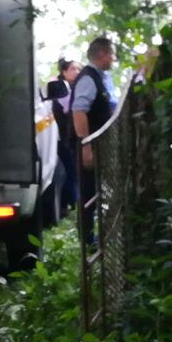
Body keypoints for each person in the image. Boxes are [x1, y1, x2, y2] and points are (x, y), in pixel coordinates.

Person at [71, 37, 117, 242]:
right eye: (112, 54)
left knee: (94, 191)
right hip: (88, 147)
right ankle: (87, 242)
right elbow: (79, 111)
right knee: (88, 192)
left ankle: (92, 238)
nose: (113, 59)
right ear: (102, 54)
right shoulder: (88, 78)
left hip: (98, 145)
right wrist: (85, 145)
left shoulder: (99, 78)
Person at [43, 58, 81, 216]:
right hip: (59, 139)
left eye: (78, 69)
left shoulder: (73, 87)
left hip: (66, 138)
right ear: (64, 72)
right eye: (73, 69)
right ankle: (69, 204)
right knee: (71, 172)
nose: (77, 72)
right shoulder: (60, 89)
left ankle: (71, 204)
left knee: (71, 172)